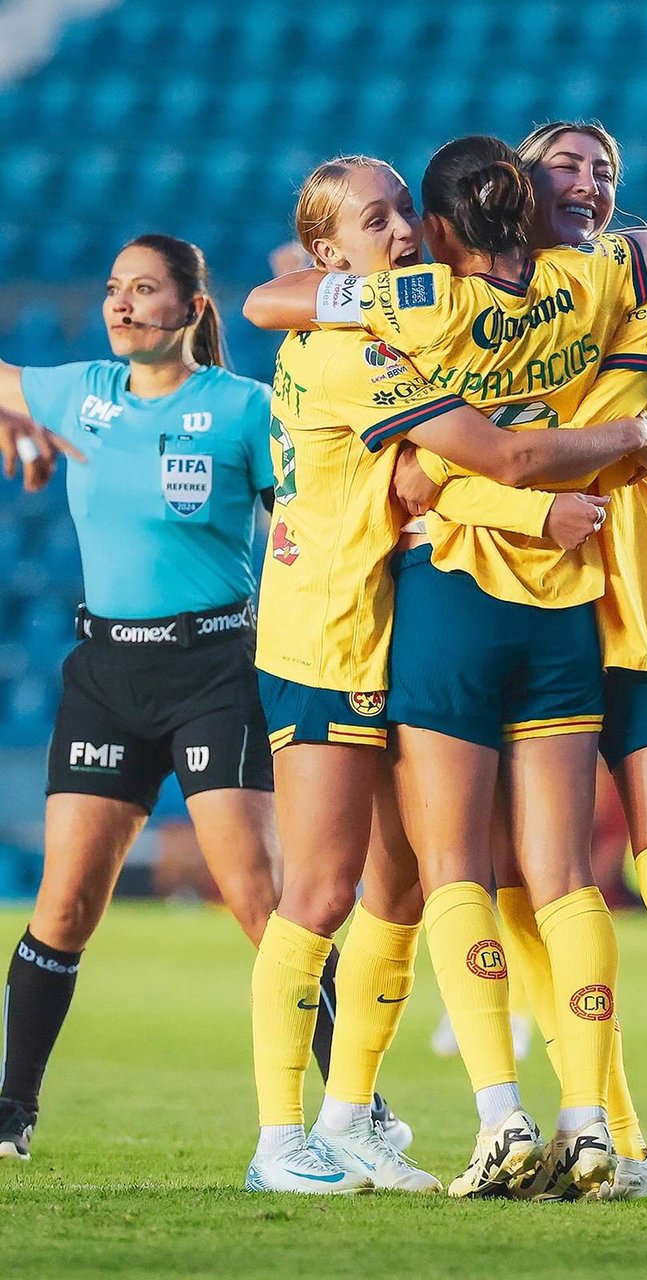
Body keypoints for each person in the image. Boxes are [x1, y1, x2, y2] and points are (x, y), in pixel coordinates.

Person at [241, 149, 647, 1197]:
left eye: (402, 215)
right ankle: (277, 1137)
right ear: (330, 248)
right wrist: (624, 435)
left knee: (393, 884)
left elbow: (270, 301)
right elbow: (485, 458)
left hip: (382, 625)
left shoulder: (365, 317)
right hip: (327, 636)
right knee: (321, 888)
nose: (396, 234)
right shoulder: (360, 350)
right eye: (374, 221)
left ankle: (348, 1117)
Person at [0, 234, 404, 1168]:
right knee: (62, 906)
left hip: (215, 673)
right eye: (112, 289)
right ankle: (12, 1113)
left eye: (145, 290)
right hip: (104, 676)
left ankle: (358, 1110)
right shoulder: (82, 394)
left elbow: (317, 515)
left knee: (263, 903)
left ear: (191, 308)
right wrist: (15, 422)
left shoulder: (244, 412)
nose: (122, 305)